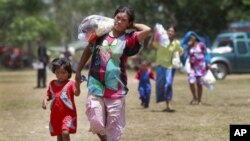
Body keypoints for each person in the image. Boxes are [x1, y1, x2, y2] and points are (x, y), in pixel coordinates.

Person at [75, 6, 151, 141]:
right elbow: (88, 50)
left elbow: (147, 30)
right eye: (117, 18)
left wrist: (132, 25)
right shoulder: (99, 34)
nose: (119, 21)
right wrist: (79, 69)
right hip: (95, 84)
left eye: (124, 20)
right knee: (95, 121)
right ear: (113, 17)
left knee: (114, 128)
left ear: (129, 23)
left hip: (116, 87)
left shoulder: (129, 38)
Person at [42, 58, 80, 141]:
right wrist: (45, 100)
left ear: (69, 73)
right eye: (58, 72)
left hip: (68, 114)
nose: (60, 75)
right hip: (56, 115)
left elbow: (77, 93)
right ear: (54, 72)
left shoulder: (71, 84)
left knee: (65, 132)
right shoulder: (52, 83)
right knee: (59, 135)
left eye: (63, 73)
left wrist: (78, 84)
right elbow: (49, 95)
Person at [148, 24, 183, 112]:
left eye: (172, 31)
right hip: (160, 66)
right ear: (166, 32)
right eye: (169, 31)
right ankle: (164, 102)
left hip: (169, 67)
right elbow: (149, 46)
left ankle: (169, 104)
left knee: (168, 84)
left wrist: (176, 59)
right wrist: (153, 35)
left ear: (175, 33)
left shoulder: (176, 43)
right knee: (160, 85)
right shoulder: (161, 41)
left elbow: (181, 51)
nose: (170, 32)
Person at [182, 31, 210, 105]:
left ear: (195, 37)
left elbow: (206, 54)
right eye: (190, 37)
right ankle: (194, 97)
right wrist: (187, 46)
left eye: (192, 36)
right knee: (191, 82)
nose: (191, 38)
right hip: (192, 67)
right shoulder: (189, 46)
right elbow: (182, 53)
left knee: (199, 84)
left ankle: (199, 100)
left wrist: (208, 62)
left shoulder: (201, 45)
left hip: (201, 67)